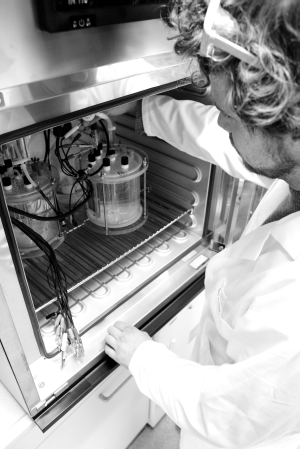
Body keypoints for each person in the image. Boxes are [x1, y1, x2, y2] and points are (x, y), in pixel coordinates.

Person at [104, 0, 300, 448]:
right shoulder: (291, 157)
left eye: (228, 116)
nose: (223, 126)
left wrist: (144, 358)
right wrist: (142, 114)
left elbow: (232, 414)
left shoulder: (296, 305)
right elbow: (237, 147)